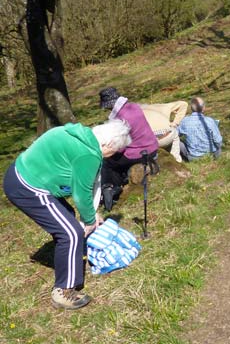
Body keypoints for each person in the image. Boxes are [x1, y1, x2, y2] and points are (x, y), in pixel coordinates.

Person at [2, 119, 132, 310]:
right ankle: (63, 291)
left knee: (68, 216)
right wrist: (89, 219)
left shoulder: (79, 134)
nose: (111, 157)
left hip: (19, 173)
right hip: (27, 185)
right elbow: (82, 193)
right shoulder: (89, 153)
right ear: (109, 144)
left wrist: (90, 215)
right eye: (114, 152)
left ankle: (69, 257)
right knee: (71, 232)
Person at [99, 87, 158, 210]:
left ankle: (110, 189)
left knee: (108, 162)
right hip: (152, 146)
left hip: (139, 153)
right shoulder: (134, 106)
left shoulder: (120, 118)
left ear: (110, 105)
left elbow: (119, 147)